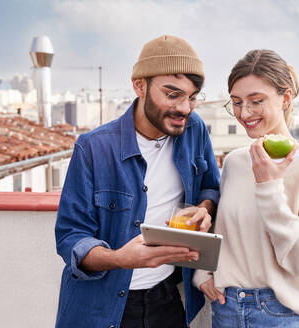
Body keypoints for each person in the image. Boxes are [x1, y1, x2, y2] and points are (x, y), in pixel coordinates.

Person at [54, 35, 220, 328]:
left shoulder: (195, 130)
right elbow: (71, 238)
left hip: (167, 299)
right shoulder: (93, 147)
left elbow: (210, 186)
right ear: (139, 85)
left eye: (192, 97)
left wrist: (204, 209)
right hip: (100, 306)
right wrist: (120, 258)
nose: (185, 108)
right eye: (172, 94)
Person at [193, 49, 299, 328]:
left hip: (280, 313)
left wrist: (269, 187)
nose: (244, 113)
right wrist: (203, 274)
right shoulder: (235, 162)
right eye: (236, 102)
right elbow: (223, 231)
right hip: (226, 309)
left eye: (256, 101)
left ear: (286, 98)